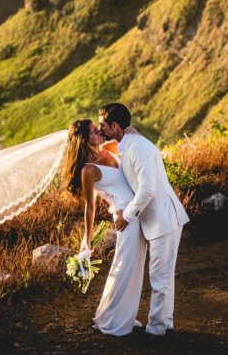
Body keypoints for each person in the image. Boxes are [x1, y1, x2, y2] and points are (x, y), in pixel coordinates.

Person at [98, 102, 189, 337]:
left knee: (160, 278)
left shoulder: (137, 147)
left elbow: (147, 189)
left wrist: (126, 216)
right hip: (153, 220)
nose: (100, 130)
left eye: (103, 125)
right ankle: (164, 325)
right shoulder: (128, 143)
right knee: (162, 277)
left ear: (115, 126)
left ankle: (157, 331)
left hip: (163, 219)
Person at [59, 118, 144, 336]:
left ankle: (121, 315)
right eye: (95, 132)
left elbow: (133, 152)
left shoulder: (108, 148)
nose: (100, 133)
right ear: (85, 139)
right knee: (125, 268)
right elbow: (90, 207)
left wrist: (134, 135)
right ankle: (113, 320)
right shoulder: (88, 170)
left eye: (98, 130)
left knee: (134, 268)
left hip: (134, 212)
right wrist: (86, 241)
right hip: (124, 219)